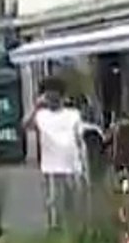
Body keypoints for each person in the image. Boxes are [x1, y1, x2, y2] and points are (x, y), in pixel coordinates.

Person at [23, 77, 88, 230]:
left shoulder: (73, 114)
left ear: (62, 97)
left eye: (55, 96)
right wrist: (36, 107)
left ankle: (72, 229)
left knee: (71, 202)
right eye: (49, 96)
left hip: (72, 165)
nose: (52, 100)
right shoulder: (41, 115)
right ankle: (54, 228)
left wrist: (83, 164)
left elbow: (79, 138)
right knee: (53, 201)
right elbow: (25, 125)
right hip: (51, 166)